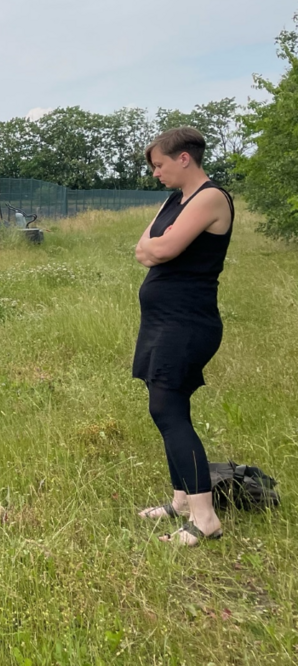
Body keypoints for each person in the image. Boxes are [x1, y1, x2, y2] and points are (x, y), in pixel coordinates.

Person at [133, 127, 235, 547]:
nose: (156, 174)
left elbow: (159, 250)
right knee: (166, 407)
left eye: (159, 165)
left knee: (168, 409)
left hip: (188, 322)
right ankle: (180, 500)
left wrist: (154, 246)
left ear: (184, 158)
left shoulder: (211, 197)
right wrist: (153, 245)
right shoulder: (176, 200)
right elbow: (144, 249)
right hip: (162, 321)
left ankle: (204, 518)